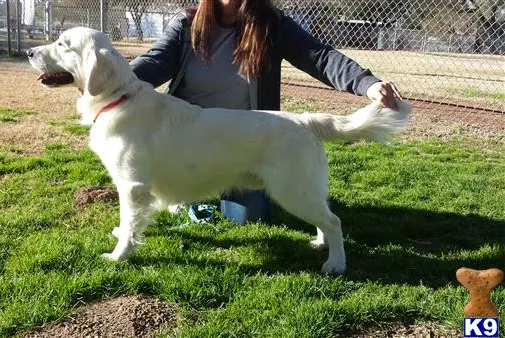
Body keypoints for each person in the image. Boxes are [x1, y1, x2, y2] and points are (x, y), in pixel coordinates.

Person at [129, 0, 403, 225]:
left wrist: (368, 84)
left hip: (247, 144)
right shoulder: (186, 25)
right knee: (179, 188)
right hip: (190, 141)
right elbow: (154, 62)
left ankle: (223, 189)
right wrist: (114, 78)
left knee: (249, 219)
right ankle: (186, 191)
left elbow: (320, 57)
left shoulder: (273, 25)